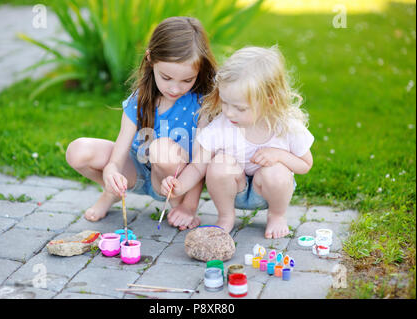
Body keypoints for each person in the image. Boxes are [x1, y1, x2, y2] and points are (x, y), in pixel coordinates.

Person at [66, 17, 217, 230]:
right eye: (166, 77)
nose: (175, 88)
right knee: (77, 151)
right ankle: (112, 193)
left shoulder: (202, 103)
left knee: (161, 149)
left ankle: (178, 206)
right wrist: (111, 172)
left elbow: (200, 162)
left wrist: (190, 207)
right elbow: (118, 156)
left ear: (199, 72)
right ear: (150, 59)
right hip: (137, 170)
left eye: (187, 80)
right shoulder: (140, 99)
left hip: (174, 180)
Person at [161, 46, 314, 239]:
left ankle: (276, 216)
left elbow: (305, 165)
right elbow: (198, 166)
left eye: (239, 108)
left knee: (275, 170)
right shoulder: (222, 126)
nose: (229, 112)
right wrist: (179, 186)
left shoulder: (286, 126)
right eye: (225, 102)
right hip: (234, 190)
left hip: (268, 191)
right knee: (219, 163)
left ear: (269, 102)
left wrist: (279, 155)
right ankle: (226, 217)